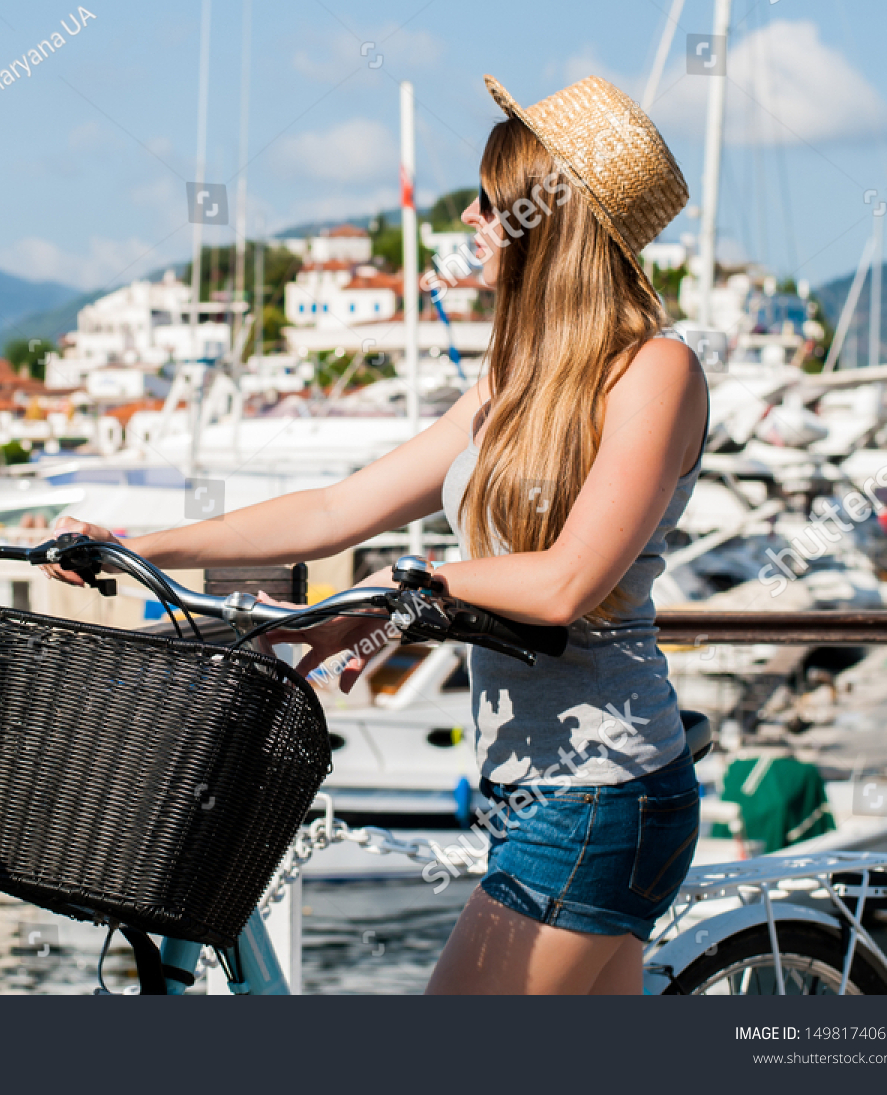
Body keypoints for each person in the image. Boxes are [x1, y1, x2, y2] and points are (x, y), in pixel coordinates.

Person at [42, 74, 708, 995]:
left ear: (542, 219)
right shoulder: (514, 383)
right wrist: (138, 543)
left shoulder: (655, 373)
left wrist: (409, 588)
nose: (472, 217)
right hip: (537, 791)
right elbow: (335, 508)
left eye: (488, 200)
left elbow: (567, 582)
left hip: (600, 792)